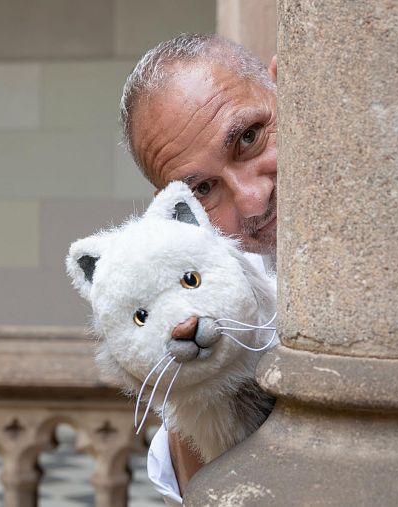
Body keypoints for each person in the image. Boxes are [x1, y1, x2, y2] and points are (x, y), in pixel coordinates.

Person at [118, 33, 278, 505]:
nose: (253, 199)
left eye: (248, 138)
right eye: (205, 188)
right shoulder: (219, 303)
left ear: (284, 85)